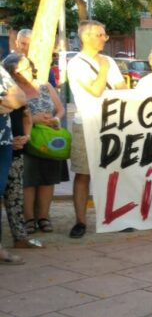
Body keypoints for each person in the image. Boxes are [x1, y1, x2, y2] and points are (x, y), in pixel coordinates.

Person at [66, 20, 129, 238]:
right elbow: (95, 89)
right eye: (101, 35)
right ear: (87, 37)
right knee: (84, 173)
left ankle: (117, 216)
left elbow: (121, 88)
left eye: (105, 34)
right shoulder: (76, 64)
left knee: (114, 172)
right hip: (87, 123)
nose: (105, 38)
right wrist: (102, 68)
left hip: (112, 123)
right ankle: (80, 221)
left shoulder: (110, 60)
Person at [16, 54, 67, 237]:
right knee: (28, 180)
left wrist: (54, 119)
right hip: (26, 138)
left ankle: (44, 217)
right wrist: (32, 119)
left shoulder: (45, 85)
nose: (25, 72)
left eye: (27, 68)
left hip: (48, 138)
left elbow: (60, 109)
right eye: (20, 70)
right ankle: (29, 218)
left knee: (48, 178)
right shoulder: (14, 88)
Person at [0, 56, 42, 250]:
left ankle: (20, 237)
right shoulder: (6, 89)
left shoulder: (18, 91)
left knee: (15, 196)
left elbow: (27, 116)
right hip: (6, 144)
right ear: (13, 71)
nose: (29, 72)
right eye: (24, 68)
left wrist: (25, 137)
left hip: (14, 149)